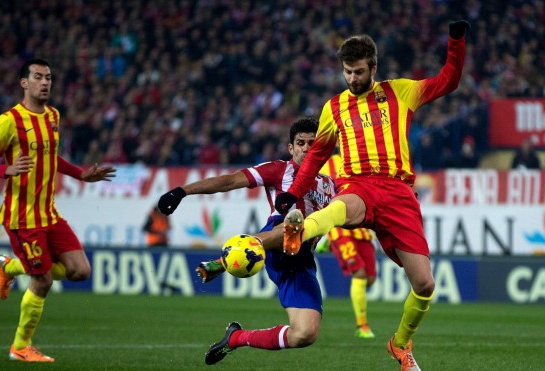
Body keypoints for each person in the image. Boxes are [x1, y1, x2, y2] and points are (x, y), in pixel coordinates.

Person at [274, 21, 470, 371]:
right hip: (357, 182)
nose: (352, 78)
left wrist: (455, 41)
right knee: (342, 206)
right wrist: (292, 195)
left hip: (398, 192)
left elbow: (449, 80)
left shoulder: (402, 92)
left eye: (359, 71)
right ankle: (298, 229)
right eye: (347, 72)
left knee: (424, 284)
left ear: (373, 67)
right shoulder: (333, 107)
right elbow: (317, 156)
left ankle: (400, 344)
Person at [157, 117, 334, 365]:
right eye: (300, 143)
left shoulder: (330, 185)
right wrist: (183, 191)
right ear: (291, 148)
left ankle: (236, 338)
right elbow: (230, 181)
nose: (306, 148)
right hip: (276, 238)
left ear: (320, 149)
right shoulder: (278, 170)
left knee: (305, 334)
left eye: (311, 144)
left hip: (301, 260)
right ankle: (258, 245)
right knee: (289, 224)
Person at [0, 58, 116, 362]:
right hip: (22, 218)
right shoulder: (9, 120)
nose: (45, 82)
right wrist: (7, 170)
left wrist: (81, 174)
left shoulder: (53, 115)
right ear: (24, 83)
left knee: (81, 271)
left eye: (48, 77)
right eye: (38, 77)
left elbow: (52, 157)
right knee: (42, 280)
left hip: (48, 214)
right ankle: (20, 346)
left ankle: (9, 267)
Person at [316, 153, 377, 339]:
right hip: (340, 227)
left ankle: (327, 243)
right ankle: (362, 326)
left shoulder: (366, 160)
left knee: (370, 279)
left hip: (362, 225)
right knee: (359, 273)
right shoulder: (327, 164)